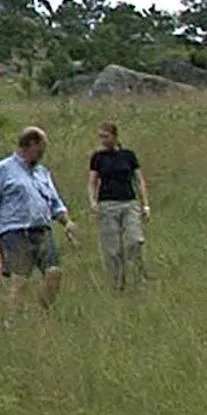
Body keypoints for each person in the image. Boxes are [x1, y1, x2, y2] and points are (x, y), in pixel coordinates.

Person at [0, 126, 79, 318]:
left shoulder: (42, 172)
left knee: (54, 273)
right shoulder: (3, 169)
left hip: (42, 230)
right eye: (40, 150)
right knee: (20, 280)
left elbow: (55, 203)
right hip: (15, 231)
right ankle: (12, 320)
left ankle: (42, 312)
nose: (42, 154)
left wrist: (67, 223)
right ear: (30, 145)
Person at [88, 121, 150, 290]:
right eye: (101, 137)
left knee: (135, 240)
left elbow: (139, 180)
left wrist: (145, 205)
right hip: (107, 205)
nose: (103, 140)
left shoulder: (128, 155)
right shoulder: (98, 158)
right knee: (113, 248)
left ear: (115, 136)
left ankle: (139, 278)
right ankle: (117, 284)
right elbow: (92, 181)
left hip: (129, 203)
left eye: (106, 136)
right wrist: (93, 201)